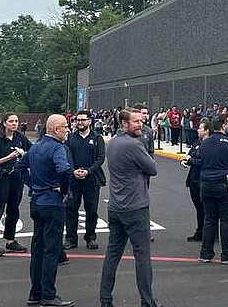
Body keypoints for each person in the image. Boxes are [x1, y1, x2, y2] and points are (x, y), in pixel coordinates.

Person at [99, 109, 159, 307]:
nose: (140, 125)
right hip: (135, 207)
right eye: (136, 122)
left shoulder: (113, 142)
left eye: (141, 121)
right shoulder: (134, 145)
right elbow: (152, 168)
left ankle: (105, 299)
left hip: (116, 207)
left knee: (112, 254)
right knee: (142, 255)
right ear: (124, 123)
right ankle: (147, 301)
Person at [16, 114, 73, 307]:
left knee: (38, 248)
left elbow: (19, 167)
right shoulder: (58, 148)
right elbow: (64, 170)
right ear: (56, 129)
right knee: (51, 250)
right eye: (65, 126)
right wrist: (63, 190)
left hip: (37, 201)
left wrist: (33, 184)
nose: (67, 130)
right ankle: (49, 294)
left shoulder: (36, 147)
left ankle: (35, 292)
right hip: (53, 202)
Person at [198, 113, 228, 264]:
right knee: (227, 220)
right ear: (224, 125)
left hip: (206, 184)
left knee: (209, 219)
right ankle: (227, 254)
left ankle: (206, 253)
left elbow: (200, 158)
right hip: (225, 184)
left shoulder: (205, 142)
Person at [0, 112, 32, 257]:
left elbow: (32, 150)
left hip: (16, 178)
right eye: (11, 121)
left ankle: (10, 240)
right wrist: (9, 157)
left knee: (14, 209)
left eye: (16, 121)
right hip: (1, 178)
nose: (14, 124)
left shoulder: (20, 138)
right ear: (4, 123)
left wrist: (24, 154)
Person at [64, 110, 106, 250]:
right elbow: (67, 157)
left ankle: (90, 238)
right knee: (71, 209)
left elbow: (100, 158)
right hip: (74, 179)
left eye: (83, 120)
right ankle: (71, 239)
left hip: (92, 179)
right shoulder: (70, 138)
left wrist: (88, 171)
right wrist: (73, 171)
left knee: (91, 210)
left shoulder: (97, 138)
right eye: (78, 120)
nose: (80, 122)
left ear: (89, 121)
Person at [183, 118, 211, 242]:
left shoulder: (210, 145)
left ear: (207, 131)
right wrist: (186, 160)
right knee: (198, 207)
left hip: (203, 179)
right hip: (193, 178)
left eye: (200, 128)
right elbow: (190, 155)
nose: (198, 130)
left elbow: (204, 161)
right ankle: (200, 231)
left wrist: (191, 160)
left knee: (206, 208)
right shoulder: (197, 142)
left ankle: (209, 233)